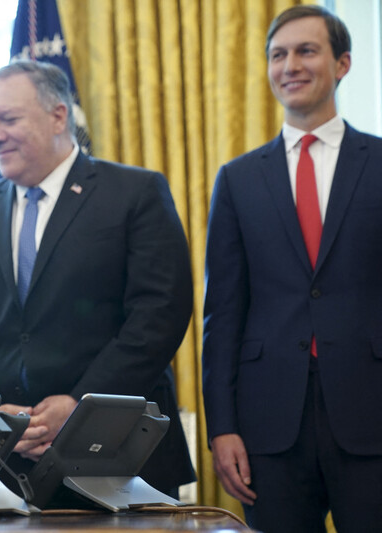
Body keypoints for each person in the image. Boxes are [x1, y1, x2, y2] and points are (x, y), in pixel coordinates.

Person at [0, 60, 195, 497]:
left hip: (119, 449)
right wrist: (0, 413)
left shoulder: (135, 193)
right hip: (5, 460)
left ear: (58, 115)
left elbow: (159, 313)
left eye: (8, 119)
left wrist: (80, 404)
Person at [202, 5, 382, 532]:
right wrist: (223, 428)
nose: (290, 66)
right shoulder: (237, 180)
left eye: (306, 50)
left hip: (371, 414)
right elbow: (223, 314)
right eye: (278, 55)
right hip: (268, 426)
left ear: (342, 63)